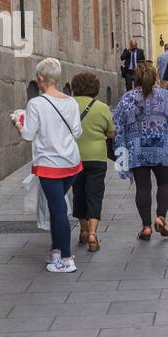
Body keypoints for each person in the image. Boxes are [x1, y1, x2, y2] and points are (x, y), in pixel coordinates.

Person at [16, 58, 83, 274]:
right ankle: (55, 250)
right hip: (71, 163)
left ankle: (66, 258)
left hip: (49, 165)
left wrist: (18, 123)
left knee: (59, 210)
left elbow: (28, 135)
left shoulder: (36, 104)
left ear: (41, 79)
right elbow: (77, 132)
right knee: (56, 208)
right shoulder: (71, 102)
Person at [113, 61, 168, 241]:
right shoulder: (166, 96)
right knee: (165, 184)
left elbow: (118, 125)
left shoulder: (128, 98)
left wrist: (121, 153)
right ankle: (161, 217)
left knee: (143, 187)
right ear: (155, 77)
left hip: (137, 149)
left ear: (135, 78)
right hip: (162, 147)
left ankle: (146, 227)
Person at [70, 72, 116, 253]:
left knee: (78, 193)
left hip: (74, 157)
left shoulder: (68, 105)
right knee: (95, 194)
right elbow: (111, 133)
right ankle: (92, 234)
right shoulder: (102, 107)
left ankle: (82, 229)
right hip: (97, 157)